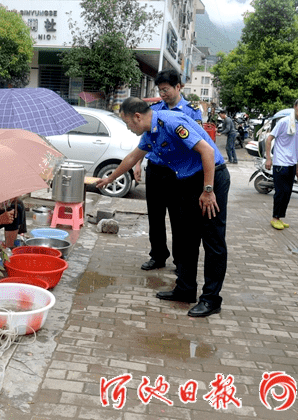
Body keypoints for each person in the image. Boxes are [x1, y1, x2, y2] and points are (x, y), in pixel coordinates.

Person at [96, 97, 229, 318]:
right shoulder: (150, 135)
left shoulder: (172, 123)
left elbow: (206, 151)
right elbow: (132, 158)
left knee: (213, 240)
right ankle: (185, 289)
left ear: (137, 117)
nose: (129, 128)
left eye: (128, 123)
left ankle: (211, 299)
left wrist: (208, 191)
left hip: (210, 178)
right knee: (186, 237)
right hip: (187, 181)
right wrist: (110, 179)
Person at [135, 70, 202, 272]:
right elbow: (144, 141)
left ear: (178, 87)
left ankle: (180, 260)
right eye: (160, 90)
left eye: (166, 90)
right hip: (155, 170)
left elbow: (199, 144)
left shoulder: (192, 111)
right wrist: (138, 164)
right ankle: (158, 255)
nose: (163, 94)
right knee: (155, 217)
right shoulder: (154, 110)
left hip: (177, 173)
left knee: (178, 219)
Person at [265, 97, 298, 230]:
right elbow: (269, 139)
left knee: (288, 192)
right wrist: (269, 158)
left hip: (291, 164)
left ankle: (279, 217)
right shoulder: (285, 122)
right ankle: (274, 217)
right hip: (280, 163)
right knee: (280, 192)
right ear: (295, 106)